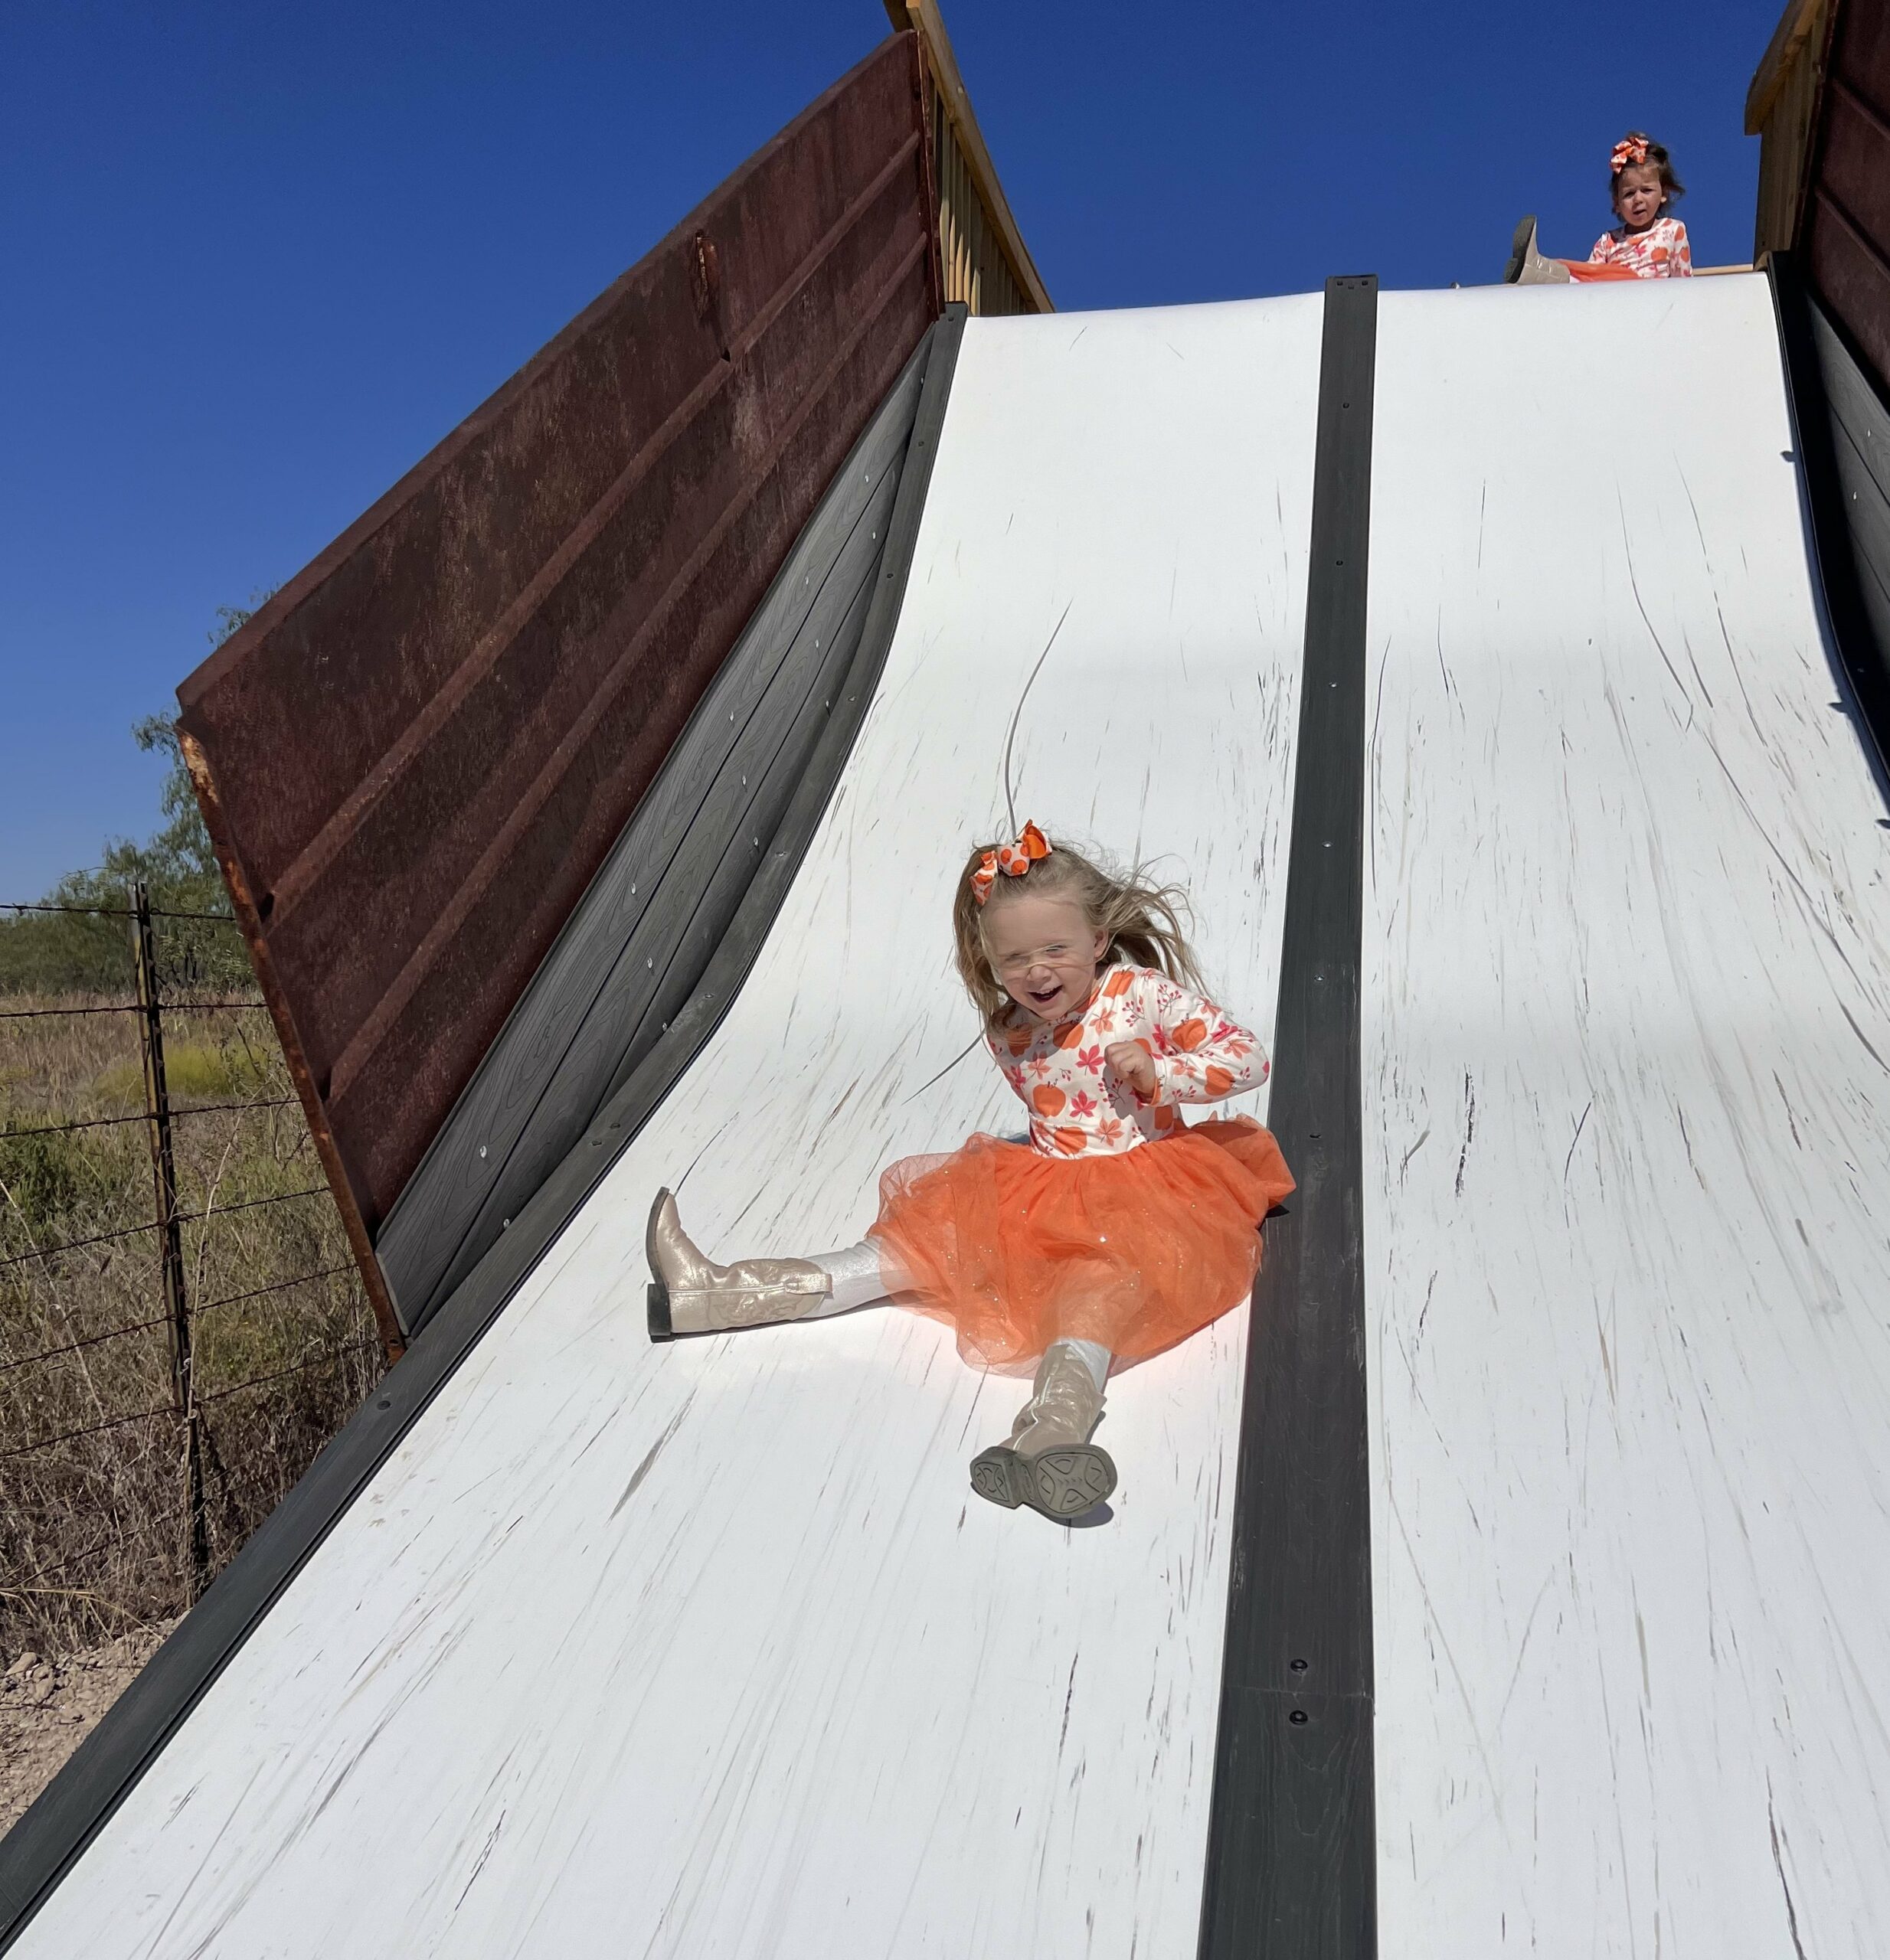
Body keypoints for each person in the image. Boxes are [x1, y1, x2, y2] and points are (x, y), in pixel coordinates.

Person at [644, 822, 1294, 1523]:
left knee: (1094, 1292)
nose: (1038, 972)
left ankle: (1049, 1439)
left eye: (1056, 950)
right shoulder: (1010, 1029)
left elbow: (1249, 1059)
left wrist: (1162, 1073)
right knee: (906, 1251)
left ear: (1098, 942)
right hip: (1039, 1187)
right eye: (1016, 959)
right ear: (990, 962)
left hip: (1145, 1190)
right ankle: (712, 1293)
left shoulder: (1138, 994)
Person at [1505, 132, 1692, 285]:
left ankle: (1536, 270)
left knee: (1615, 276)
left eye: (1647, 190)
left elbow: (1683, 282)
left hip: (1645, 296)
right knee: (1579, 274)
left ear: (1663, 193)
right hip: (1611, 298)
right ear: (1617, 204)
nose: (1638, 199)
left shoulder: (1673, 230)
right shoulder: (1608, 241)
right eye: (1628, 194)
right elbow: (1588, 280)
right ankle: (1535, 269)